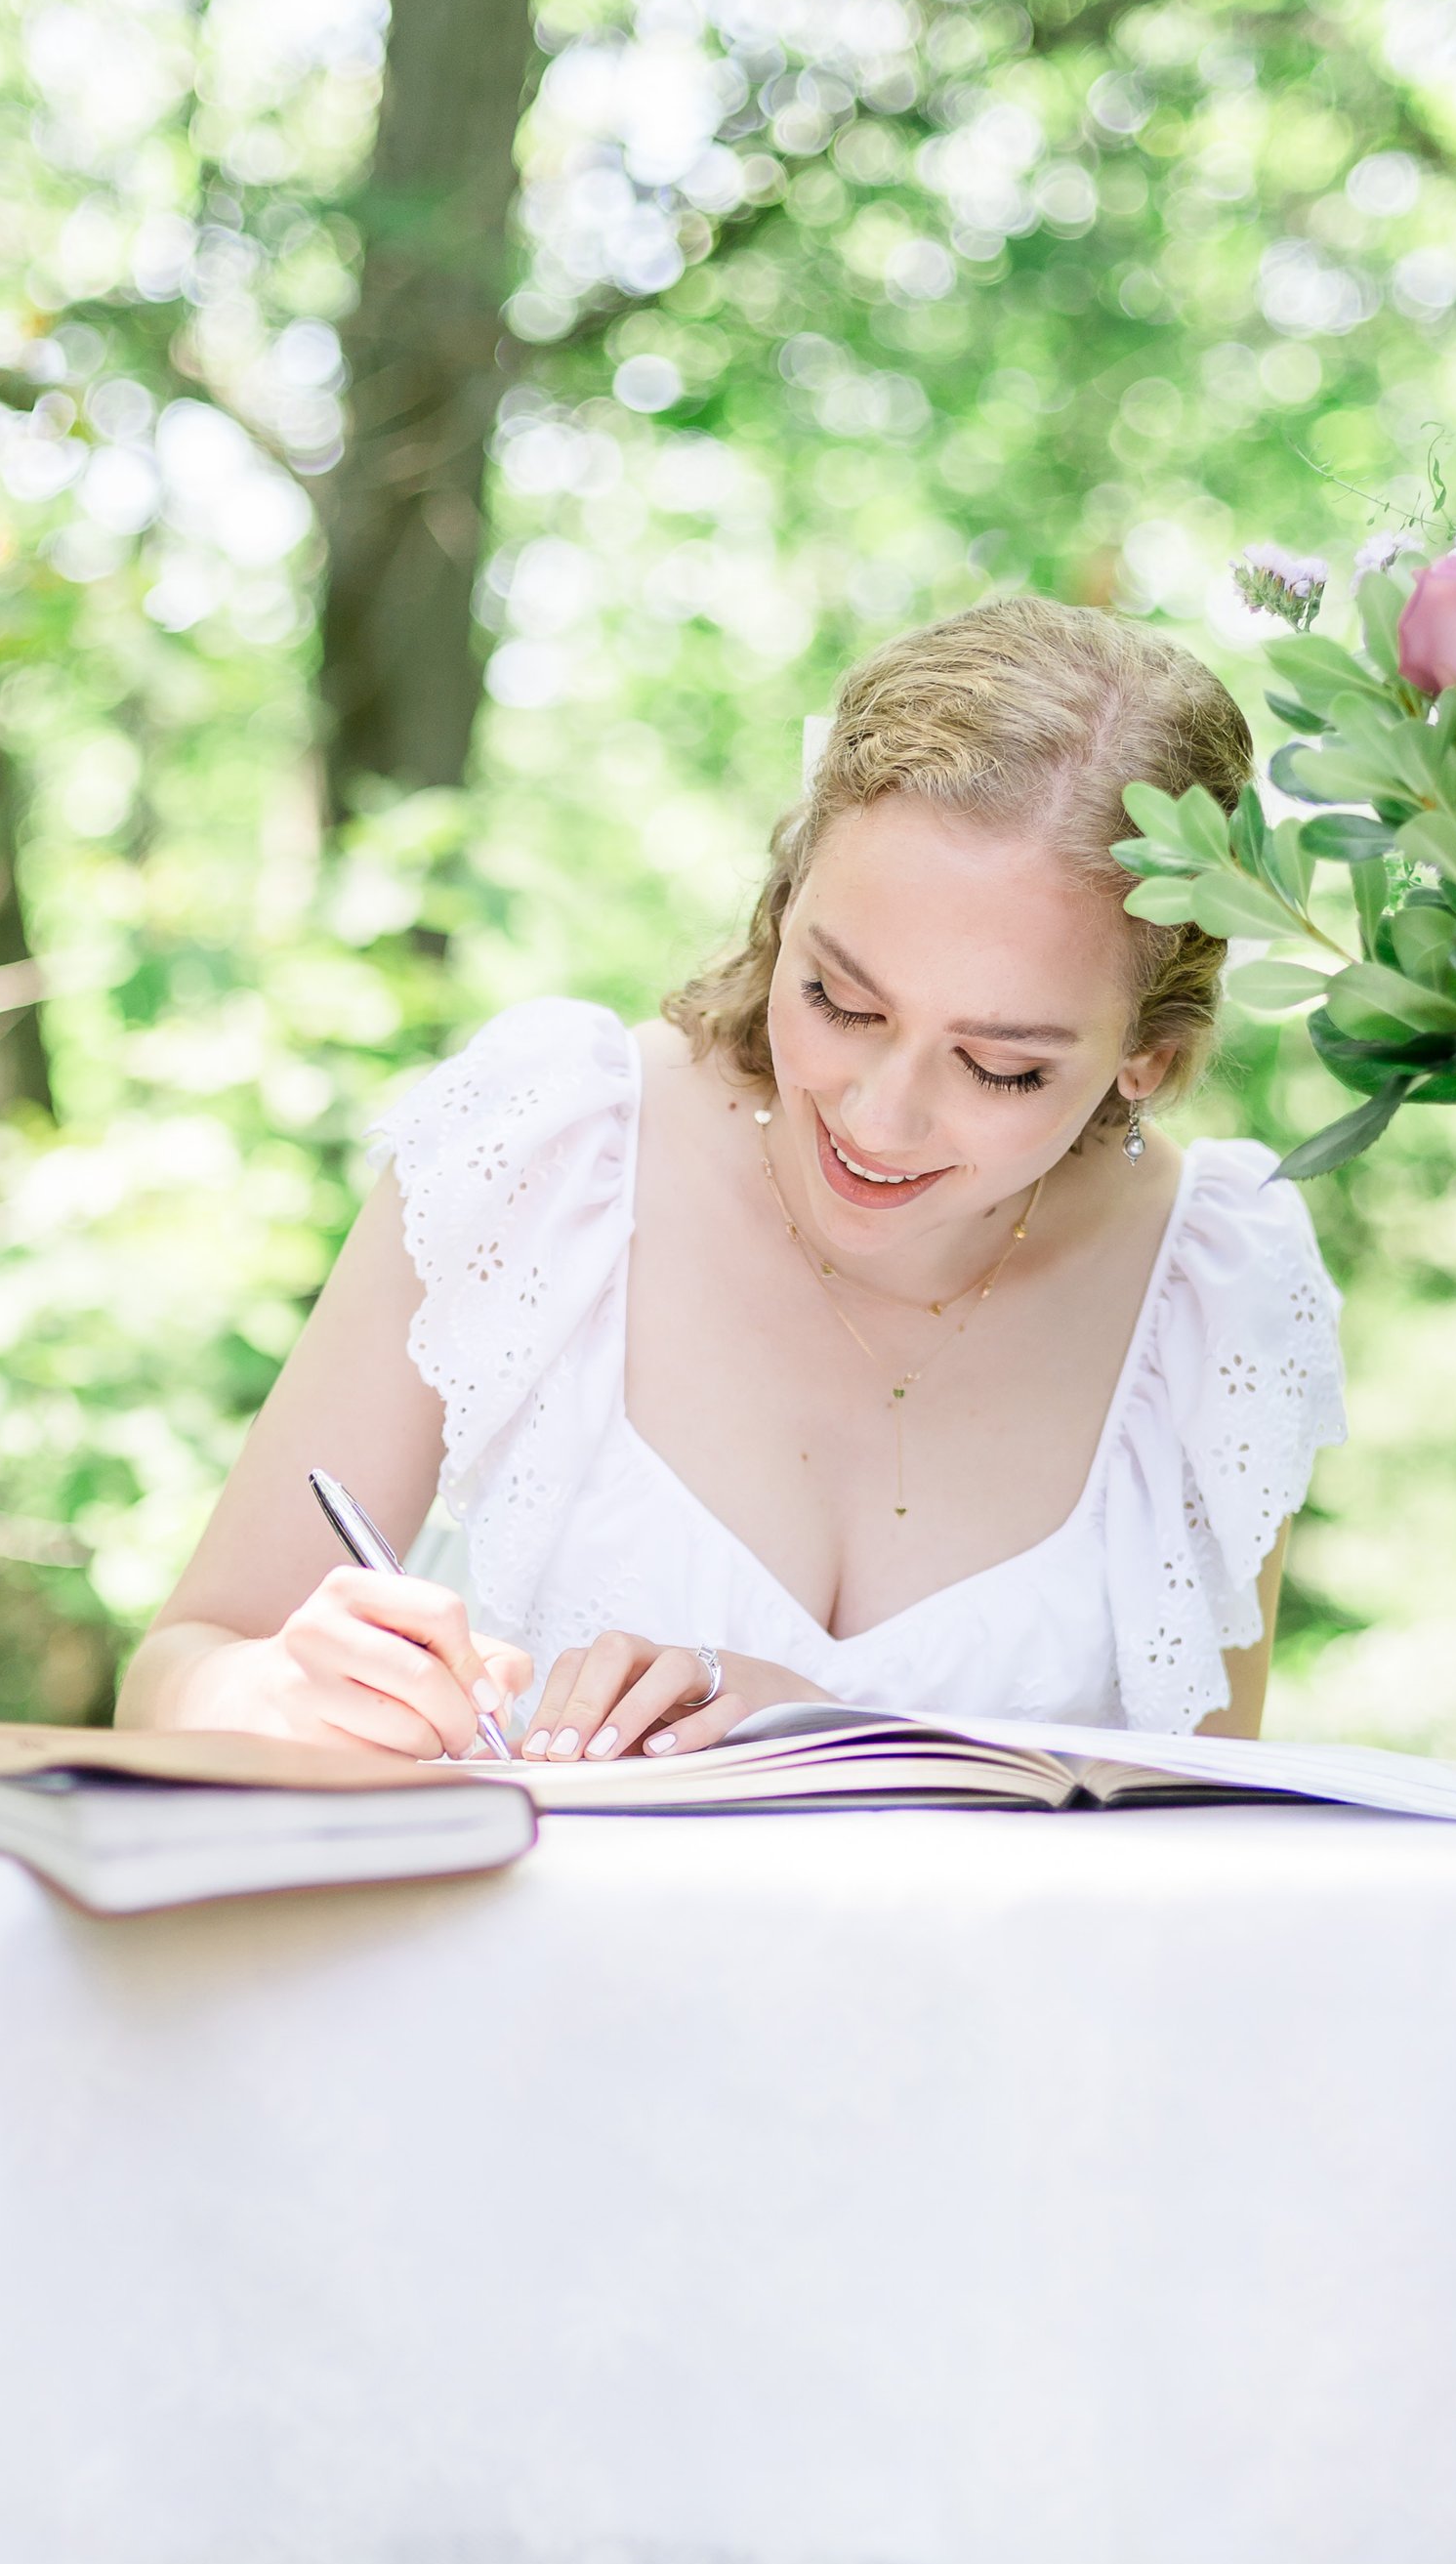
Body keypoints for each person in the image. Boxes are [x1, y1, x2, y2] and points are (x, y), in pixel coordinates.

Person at [121, 594, 1343, 1761]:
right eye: (839, 999)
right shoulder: (548, 1147)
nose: (879, 1112)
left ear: (1147, 1059)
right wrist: (268, 1690)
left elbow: (1202, 1852)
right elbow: (177, 1671)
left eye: (998, 1067)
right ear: (786, 903)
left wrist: (847, 1750)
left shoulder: (1219, 1296)